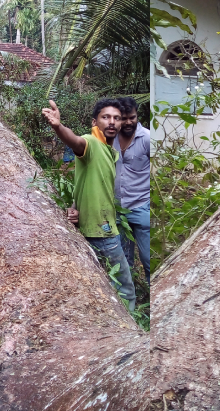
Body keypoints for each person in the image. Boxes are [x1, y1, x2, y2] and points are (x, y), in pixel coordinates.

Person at [42, 98, 136, 311]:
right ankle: (131, 330)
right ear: (95, 123)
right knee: (125, 289)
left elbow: (85, 183)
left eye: (116, 118)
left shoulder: (109, 151)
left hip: (101, 228)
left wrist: (75, 206)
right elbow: (76, 141)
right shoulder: (91, 143)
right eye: (106, 117)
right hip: (103, 234)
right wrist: (58, 127)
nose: (112, 122)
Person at [114, 97, 151, 284]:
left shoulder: (147, 139)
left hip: (142, 206)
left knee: (148, 259)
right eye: (124, 118)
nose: (129, 122)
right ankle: (127, 302)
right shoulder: (109, 139)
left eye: (133, 117)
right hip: (118, 209)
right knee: (122, 262)